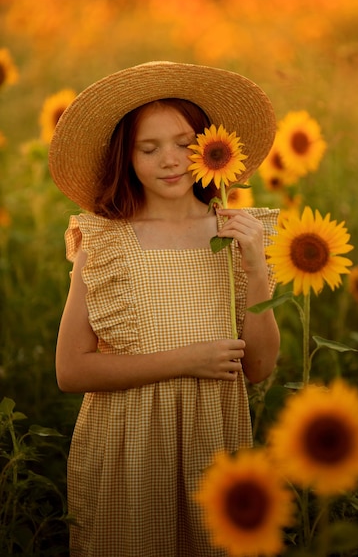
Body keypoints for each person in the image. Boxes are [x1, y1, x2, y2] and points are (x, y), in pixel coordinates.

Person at [49, 61, 280, 557]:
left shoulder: (237, 235)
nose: (171, 160)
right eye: (149, 149)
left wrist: (257, 268)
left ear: (211, 147)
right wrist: (185, 361)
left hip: (213, 446)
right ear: (125, 158)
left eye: (184, 143)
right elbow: (70, 370)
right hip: (126, 450)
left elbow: (259, 368)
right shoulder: (106, 242)